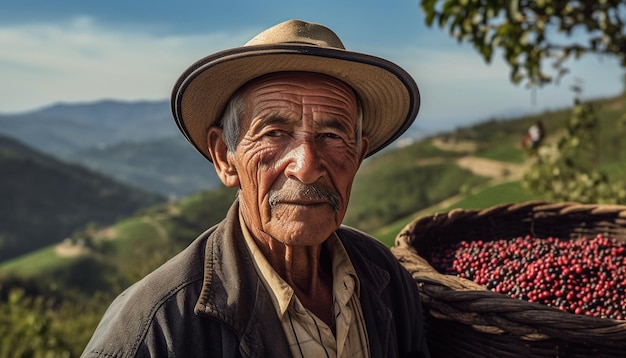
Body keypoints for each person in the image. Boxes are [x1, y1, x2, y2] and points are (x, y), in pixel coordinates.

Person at [81, 19, 430, 358]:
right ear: (224, 157)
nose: (306, 166)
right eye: (274, 134)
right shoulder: (156, 330)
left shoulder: (383, 276)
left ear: (358, 156)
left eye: (332, 136)